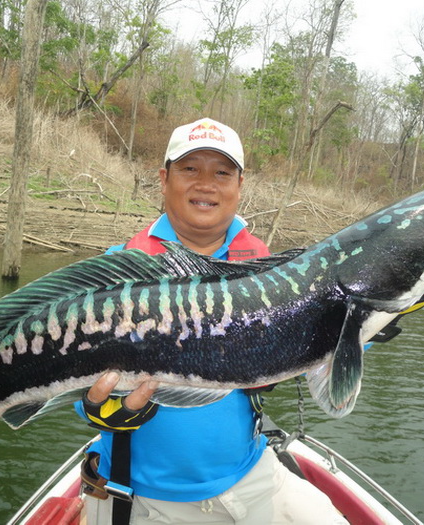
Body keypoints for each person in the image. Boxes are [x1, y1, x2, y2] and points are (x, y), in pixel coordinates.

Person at [73, 118, 349, 524]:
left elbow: (318, 342)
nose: (206, 184)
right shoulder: (114, 275)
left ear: (239, 185)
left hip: (251, 477)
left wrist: (370, 320)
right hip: (136, 494)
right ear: (164, 179)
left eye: (222, 172)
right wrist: (94, 409)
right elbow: (67, 378)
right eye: (190, 169)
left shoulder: (270, 273)